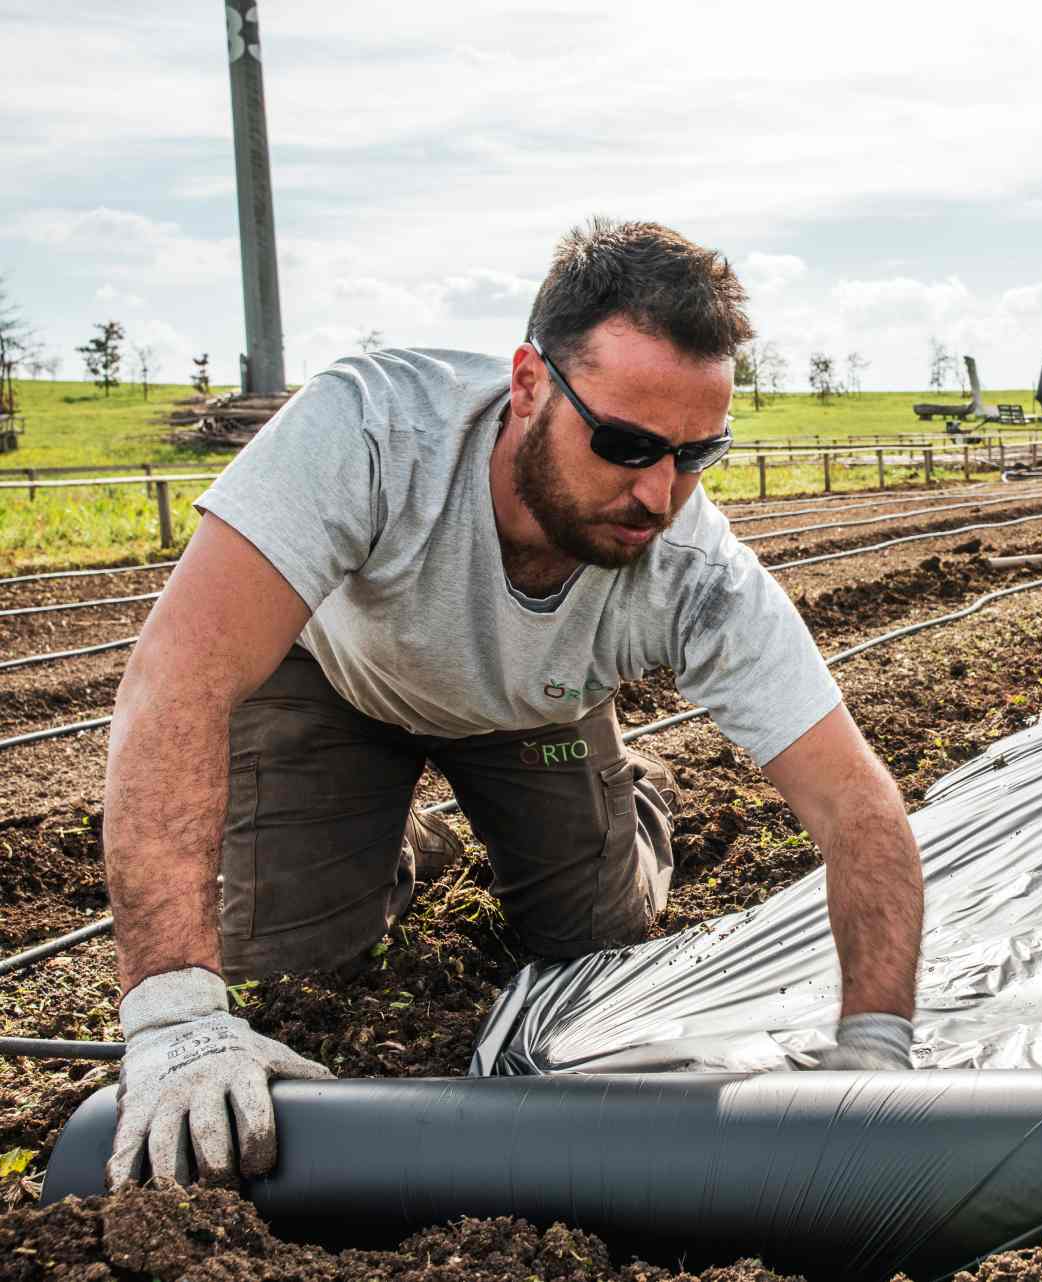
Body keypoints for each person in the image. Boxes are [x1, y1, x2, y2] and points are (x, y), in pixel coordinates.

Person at [102, 219, 926, 1188]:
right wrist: (175, 1014)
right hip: (338, 680)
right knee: (286, 973)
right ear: (529, 385)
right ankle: (402, 845)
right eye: (625, 442)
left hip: (533, 710)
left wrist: (875, 1054)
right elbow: (176, 681)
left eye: (697, 454)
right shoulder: (372, 430)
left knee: (596, 960)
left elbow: (857, 809)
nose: (660, 493)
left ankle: (636, 810)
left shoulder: (692, 569)